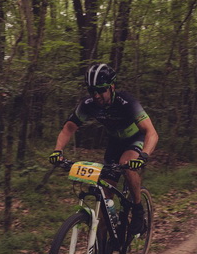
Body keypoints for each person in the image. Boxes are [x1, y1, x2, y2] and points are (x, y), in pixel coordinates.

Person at [48, 63, 158, 234]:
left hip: (135, 139)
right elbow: (69, 128)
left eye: (101, 90)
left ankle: (137, 209)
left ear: (111, 87)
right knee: (105, 199)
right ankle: (104, 242)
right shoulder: (88, 104)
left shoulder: (126, 102)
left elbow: (151, 132)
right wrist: (58, 151)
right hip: (115, 143)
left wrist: (144, 156)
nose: (96, 95)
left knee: (127, 164)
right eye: (92, 91)